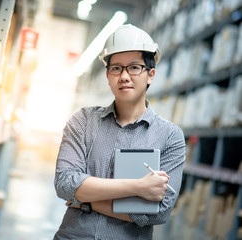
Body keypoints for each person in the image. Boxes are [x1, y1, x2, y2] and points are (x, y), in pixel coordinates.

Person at [53, 24, 186, 239]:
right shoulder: (83, 121)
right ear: (107, 75)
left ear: (150, 75)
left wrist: (86, 202)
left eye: (134, 67)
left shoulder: (170, 137)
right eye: (116, 68)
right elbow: (66, 184)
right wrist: (139, 187)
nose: (124, 76)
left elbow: (159, 212)